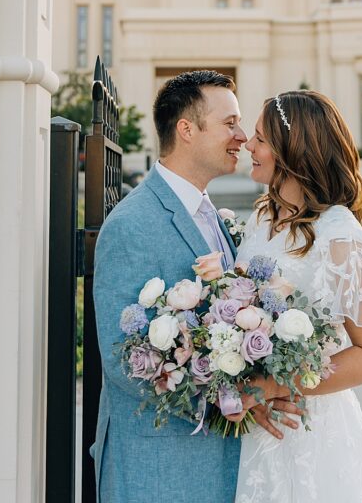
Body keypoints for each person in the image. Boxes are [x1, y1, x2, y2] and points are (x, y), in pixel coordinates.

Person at [92, 70, 296, 502]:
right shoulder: (132, 224)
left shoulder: (211, 215)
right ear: (186, 129)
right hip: (161, 471)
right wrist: (238, 397)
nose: (242, 136)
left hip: (217, 464)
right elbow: (122, 363)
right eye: (229, 123)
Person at [234, 89, 362, 503]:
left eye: (261, 139)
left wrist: (275, 385)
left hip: (309, 431)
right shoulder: (263, 215)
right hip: (253, 429)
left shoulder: (339, 238)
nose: (249, 145)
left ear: (291, 150)